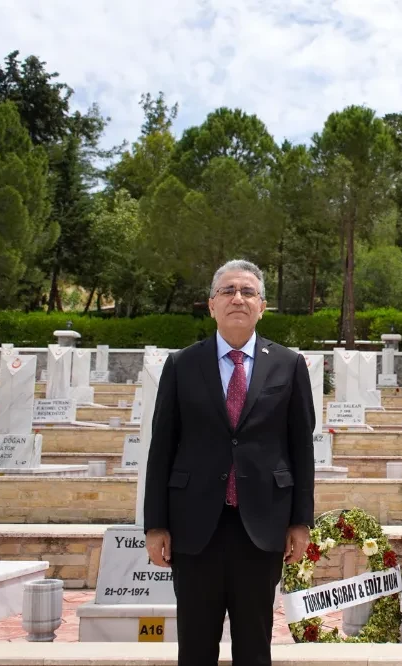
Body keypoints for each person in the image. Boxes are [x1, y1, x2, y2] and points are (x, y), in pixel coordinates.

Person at [144, 259, 315, 666]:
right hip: (194, 526)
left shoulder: (288, 365)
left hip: (262, 526)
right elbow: (162, 447)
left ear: (262, 306)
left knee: (255, 646)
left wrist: (300, 521)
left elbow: (300, 448)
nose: (238, 298)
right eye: (228, 291)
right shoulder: (183, 364)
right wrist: (155, 524)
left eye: (248, 292)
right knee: (196, 646)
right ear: (211, 305)